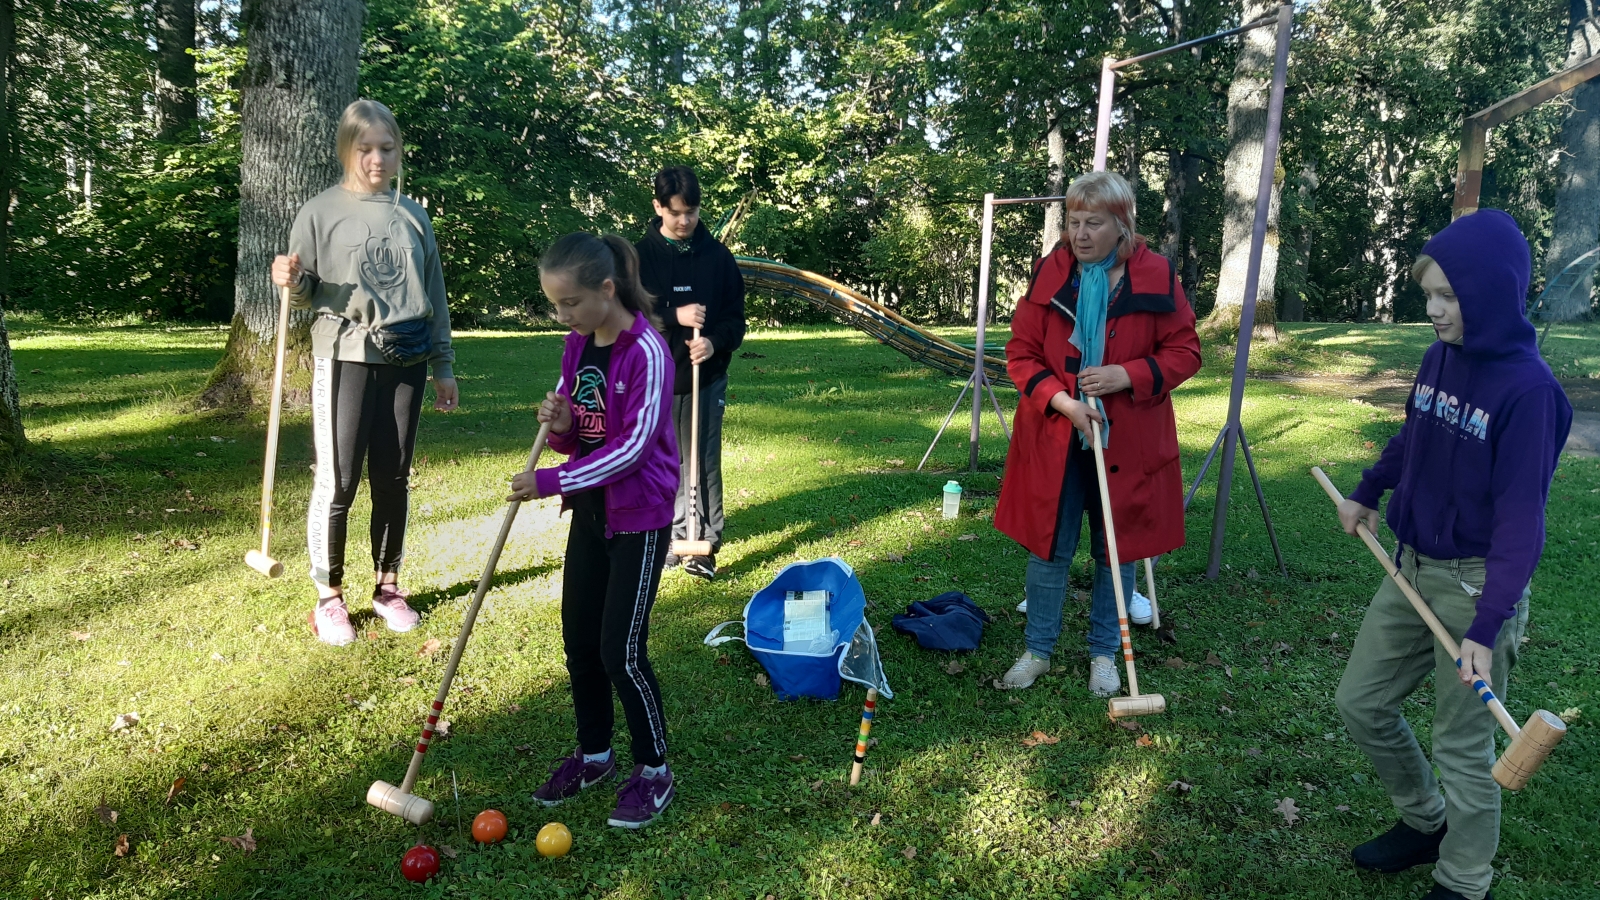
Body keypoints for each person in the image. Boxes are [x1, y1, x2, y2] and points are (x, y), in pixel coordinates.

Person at [1333, 210, 1571, 900]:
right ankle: (1425, 820)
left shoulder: (1530, 393)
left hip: (1473, 587)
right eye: (1428, 295)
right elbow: (1415, 435)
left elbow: (1523, 522)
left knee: (1462, 747)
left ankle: (1465, 880)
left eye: (1447, 297)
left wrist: (1487, 625)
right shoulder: (1441, 355)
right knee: (1361, 703)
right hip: (1411, 566)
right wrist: (1368, 489)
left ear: (1492, 292)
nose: (1433, 311)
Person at [993, 171, 1201, 696]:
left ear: (1122, 226)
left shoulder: (1156, 277)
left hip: (1126, 440)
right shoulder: (1051, 274)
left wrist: (1125, 375)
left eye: (1094, 223)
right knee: (1048, 548)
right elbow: (1020, 353)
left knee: (1118, 549)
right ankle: (1037, 650)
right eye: (1073, 222)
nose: (1079, 234)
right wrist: (1063, 402)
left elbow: (1186, 352)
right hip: (1056, 437)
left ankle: (1104, 654)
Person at [271, 99, 457, 648]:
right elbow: (302, 293)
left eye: (387, 147)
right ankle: (329, 597)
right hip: (346, 356)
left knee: (393, 477)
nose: (377, 158)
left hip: (409, 360)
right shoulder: (319, 212)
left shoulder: (414, 215)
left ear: (399, 151)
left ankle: (388, 586)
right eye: (365, 148)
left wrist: (443, 365)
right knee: (339, 481)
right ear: (346, 150)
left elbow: (435, 300)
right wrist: (289, 278)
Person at [509, 232, 679, 830]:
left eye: (570, 303)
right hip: (592, 511)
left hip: (640, 516)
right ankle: (596, 754)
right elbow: (584, 435)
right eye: (555, 305)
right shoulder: (576, 347)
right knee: (579, 642)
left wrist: (552, 481)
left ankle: (655, 770)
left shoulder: (649, 353)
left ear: (606, 290)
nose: (563, 316)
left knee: (620, 652)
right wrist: (559, 428)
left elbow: (632, 448)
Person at [635, 166, 747, 580]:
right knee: (664, 459)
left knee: (701, 457)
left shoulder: (718, 258)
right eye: (676, 212)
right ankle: (670, 532)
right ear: (658, 207)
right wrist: (673, 315)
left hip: (706, 374)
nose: (685, 221)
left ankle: (703, 540)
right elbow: (626, 318)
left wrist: (714, 341)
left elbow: (736, 321)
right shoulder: (639, 258)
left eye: (692, 212)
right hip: (656, 378)